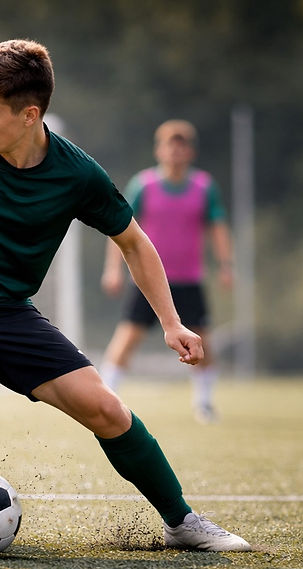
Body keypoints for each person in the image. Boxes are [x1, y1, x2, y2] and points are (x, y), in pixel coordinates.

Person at [0, 39, 253, 553]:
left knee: (106, 410)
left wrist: (171, 324)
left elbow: (134, 243)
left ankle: (181, 522)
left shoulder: (77, 174)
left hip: (8, 312)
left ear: (29, 114)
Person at [99, 119, 233, 425]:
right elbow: (120, 229)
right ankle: (106, 398)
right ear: (159, 150)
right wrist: (113, 269)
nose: (175, 152)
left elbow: (218, 227)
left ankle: (204, 403)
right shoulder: (143, 185)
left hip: (188, 280)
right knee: (127, 338)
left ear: (190, 152)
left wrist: (226, 265)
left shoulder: (203, 187)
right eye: (169, 146)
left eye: (181, 146)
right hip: (147, 280)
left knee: (203, 343)